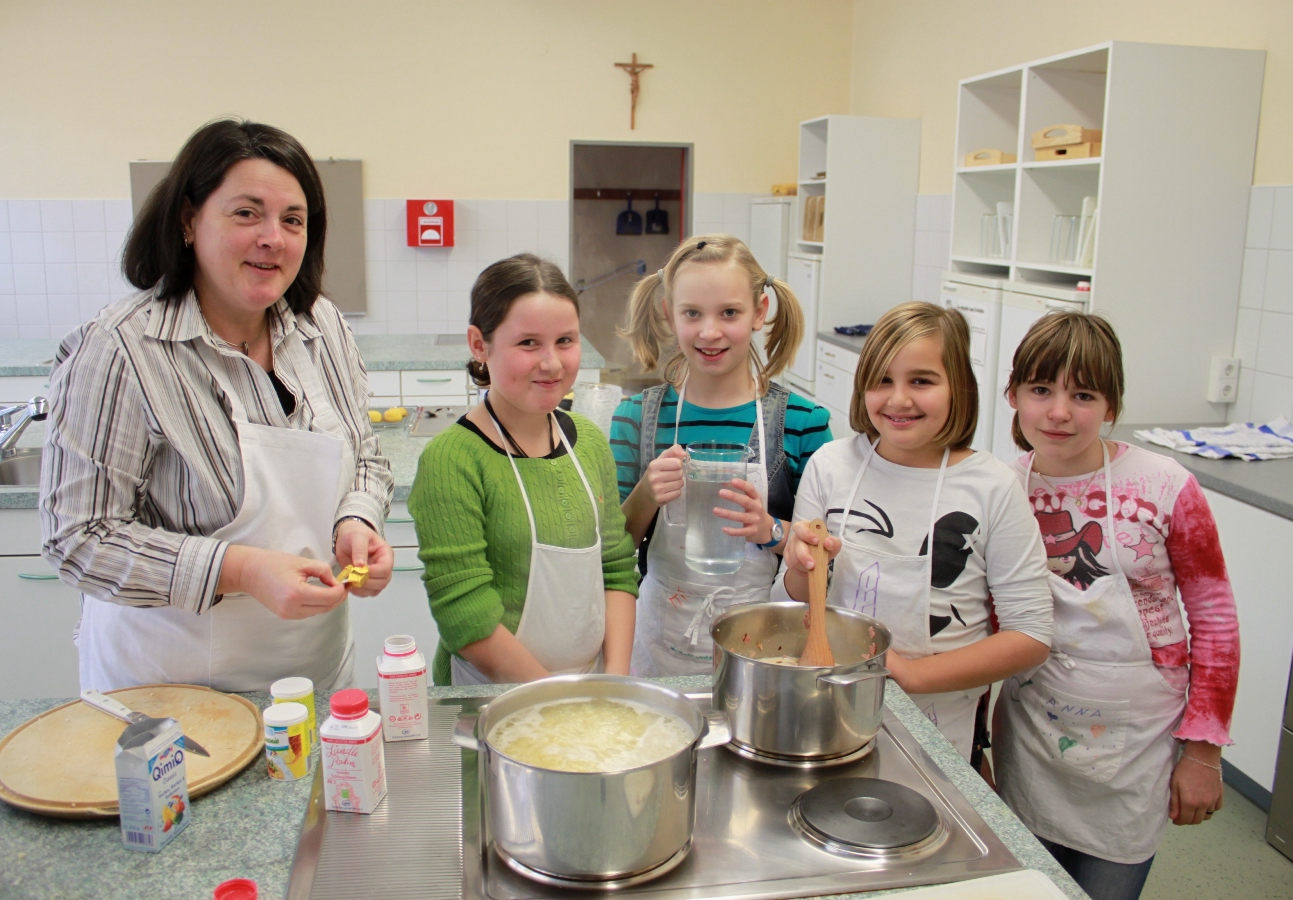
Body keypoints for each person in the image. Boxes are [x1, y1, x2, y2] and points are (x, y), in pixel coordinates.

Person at [40, 119, 395, 693]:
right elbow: (79, 537)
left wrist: (357, 518)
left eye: (293, 220)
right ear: (189, 220)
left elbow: (366, 456)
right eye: (247, 213)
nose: (273, 238)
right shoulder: (121, 349)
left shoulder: (321, 327)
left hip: (312, 674)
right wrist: (242, 569)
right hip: (170, 689)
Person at [991, 312, 1239, 900]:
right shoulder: (1000, 488)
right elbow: (990, 620)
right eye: (1041, 390)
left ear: (1111, 404)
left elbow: (1215, 619)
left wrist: (1204, 753)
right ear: (1013, 395)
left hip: (1138, 744)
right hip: (1033, 732)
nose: (1059, 412)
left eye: (1083, 395)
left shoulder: (1164, 485)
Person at [781, 301, 1052, 759]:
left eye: (921, 381)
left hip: (938, 729)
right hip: (829, 708)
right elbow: (797, 602)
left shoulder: (992, 486)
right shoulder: (831, 465)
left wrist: (909, 674)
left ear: (958, 387)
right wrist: (797, 566)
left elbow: (1030, 636)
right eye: (882, 380)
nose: (899, 400)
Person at [409, 254, 639, 685]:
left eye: (565, 341)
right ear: (479, 344)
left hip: (590, 685)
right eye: (529, 343)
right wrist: (558, 703)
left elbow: (616, 567)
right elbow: (466, 613)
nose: (551, 363)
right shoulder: (452, 460)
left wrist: (614, 682)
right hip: (490, 692)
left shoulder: (589, 443)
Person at [611, 235, 831, 676]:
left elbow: (822, 557)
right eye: (692, 313)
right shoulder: (636, 417)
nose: (709, 332)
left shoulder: (803, 422)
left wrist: (769, 529)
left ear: (760, 312)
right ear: (668, 313)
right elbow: (613, 551)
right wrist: (646, 494)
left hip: (764, 652)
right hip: (658, 651)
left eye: (729, 313)